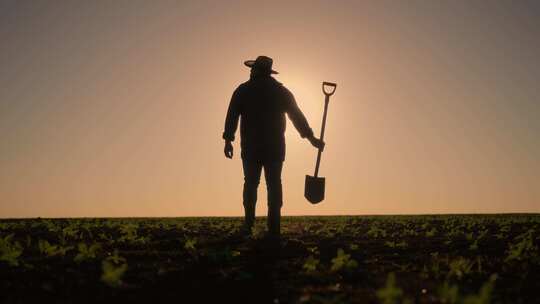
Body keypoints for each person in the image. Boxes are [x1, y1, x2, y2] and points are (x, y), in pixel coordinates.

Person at [222, 55, 324, 238]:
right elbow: (297, 117)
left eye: (252, 69)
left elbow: (232, 116)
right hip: (275, 148)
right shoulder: (281, 92)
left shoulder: (243, 90)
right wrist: (311, 138)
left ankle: (248, 225)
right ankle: (274, 228)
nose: (250, 71)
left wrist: (228, 140)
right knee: (274, 185)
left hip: (251, 148)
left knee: (251, 184)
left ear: (257, 71)